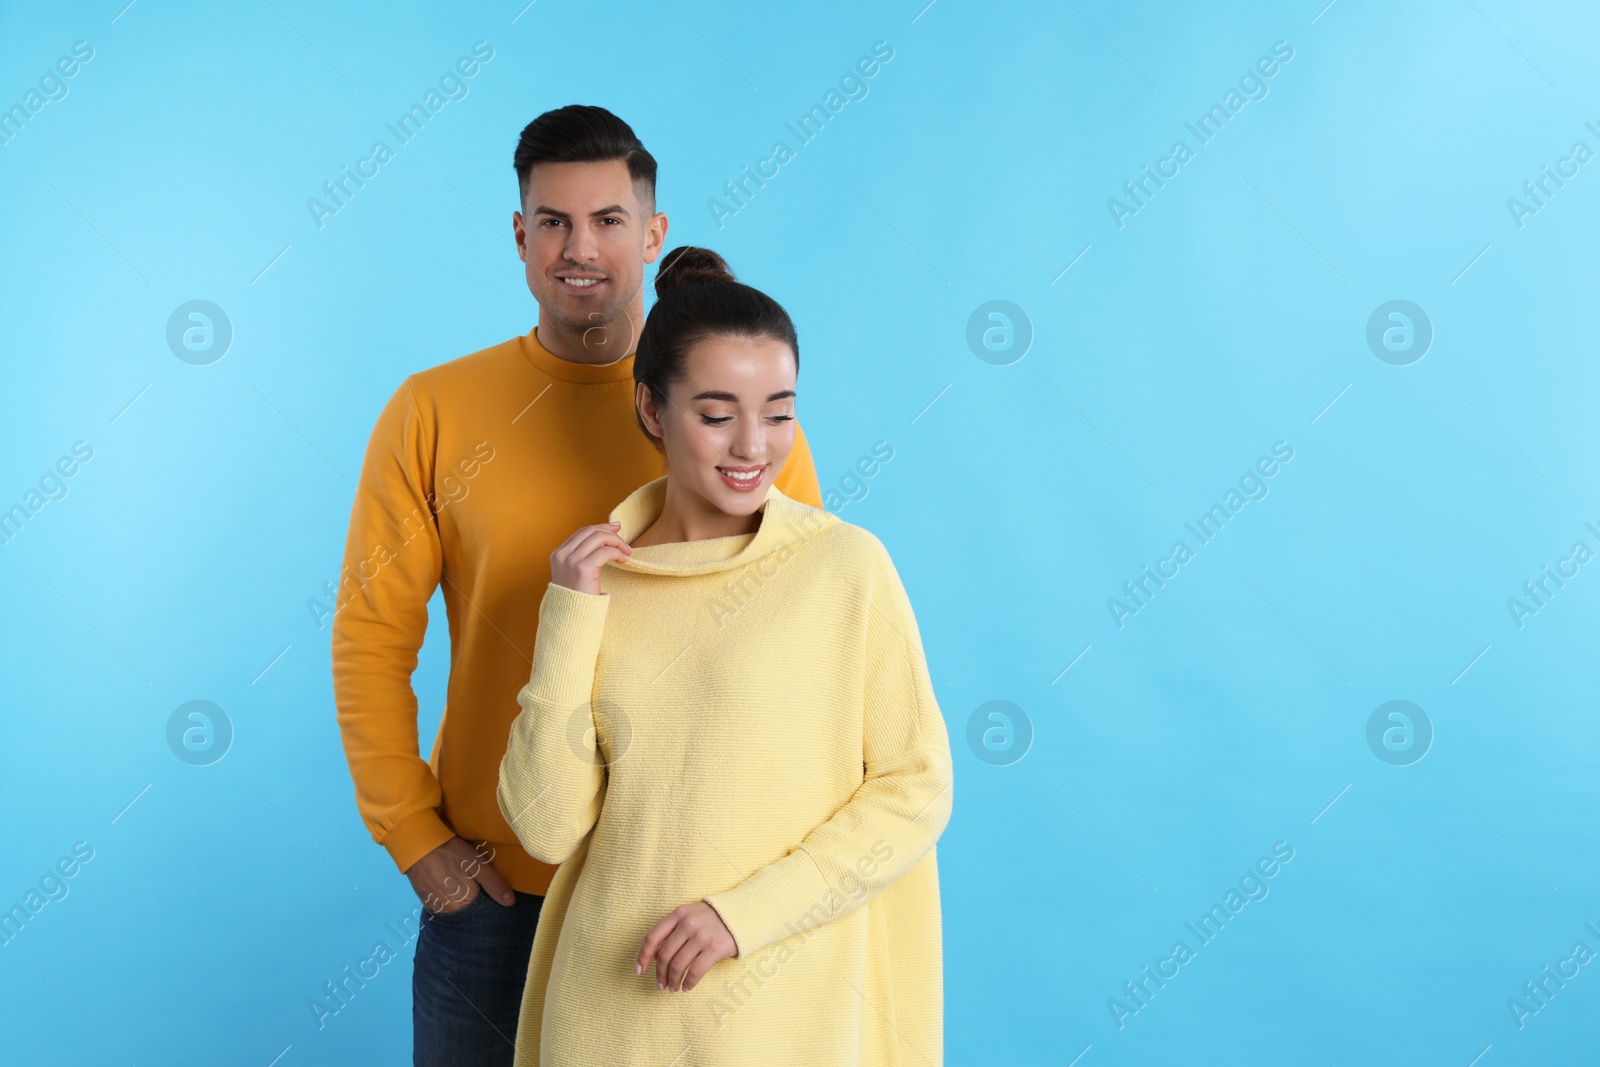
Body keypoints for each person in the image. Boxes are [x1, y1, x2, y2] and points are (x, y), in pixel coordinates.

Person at [329, 108, 825, 1065]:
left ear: (652, 234)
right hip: (495, 900)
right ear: (520, 236)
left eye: (606, 219)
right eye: (551, 221)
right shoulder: (431, 411)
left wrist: (754, 896)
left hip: (677, 907)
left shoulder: (737, 420)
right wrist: (415, 839)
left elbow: (800, 648)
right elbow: (369, 638)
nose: (579, 246)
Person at [497, 246, 954, 1066]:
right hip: (612, 1014)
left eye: (779, 411)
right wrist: (570, 614)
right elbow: (545, 826)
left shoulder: (842, 568)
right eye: (717, 413)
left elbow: (914, 790)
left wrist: (743, 913)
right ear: (651, 408)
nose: (754, 445)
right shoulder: (597, 587)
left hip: (786, 1013)